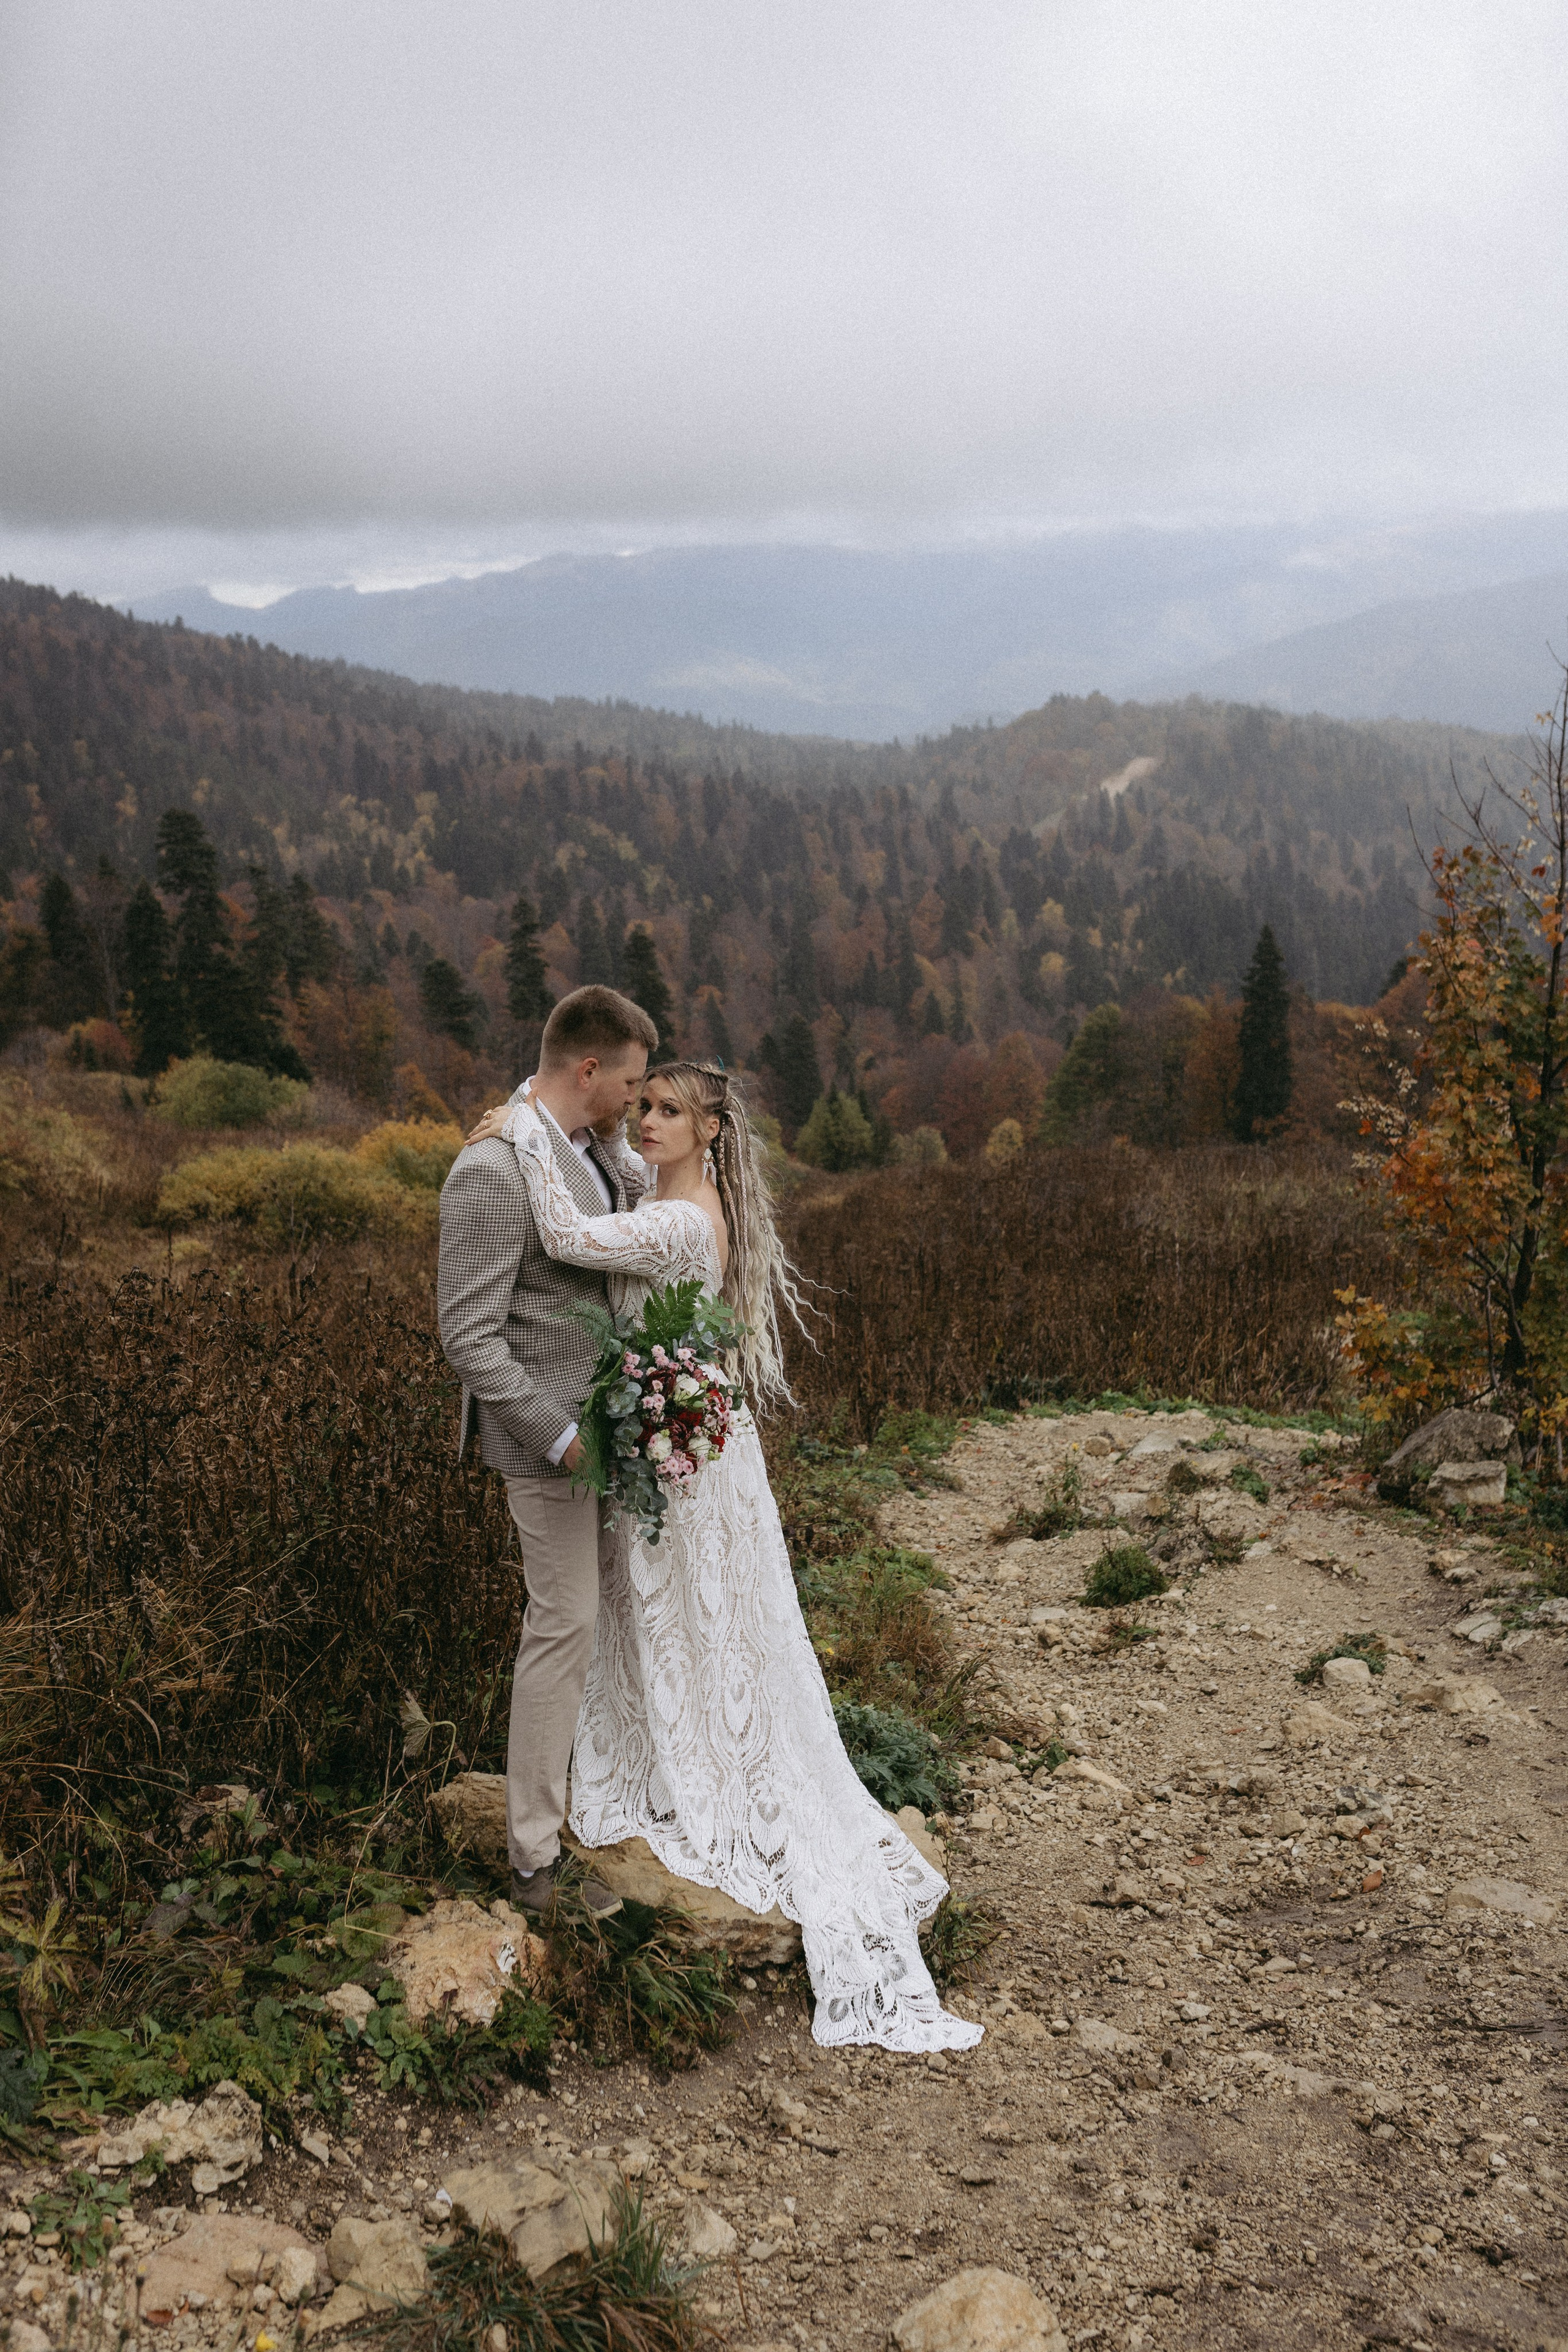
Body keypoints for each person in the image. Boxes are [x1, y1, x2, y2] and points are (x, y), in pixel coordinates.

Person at [465, 1058, 981, 2054]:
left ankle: (709, 1764)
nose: (645, 1122)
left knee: (691, 1607)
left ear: (711, 1134)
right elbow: (612, 1149)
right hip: (692, 1443)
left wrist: (522, 1127)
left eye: (668, 1113)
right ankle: (675, 1740)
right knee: (683, 1611)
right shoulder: (670, 1182)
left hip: (682, 1459)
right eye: (642, 1104)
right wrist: (559, 1117)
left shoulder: (678, 1220)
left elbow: (569, 1234)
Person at [437, 984, 658, 1923]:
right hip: (549, 1448)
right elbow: (468, 1336)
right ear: (588, 1069)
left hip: (611, 1436)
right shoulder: (490, 1170)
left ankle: (599, 1803)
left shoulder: (589, 1152)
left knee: (596, 1628)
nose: (640, 1104)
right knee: (562, 1626)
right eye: (634, 1084)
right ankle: (532, 1864)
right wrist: (564, 1438)